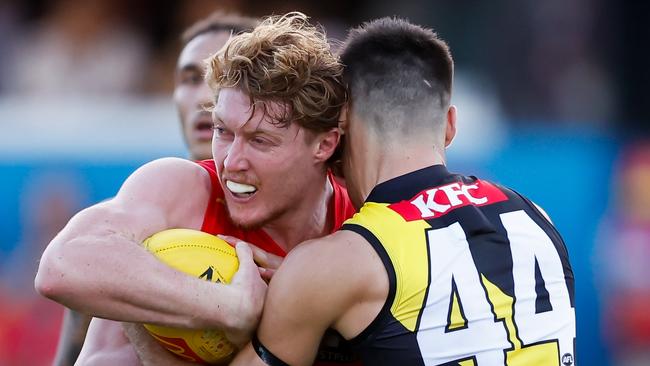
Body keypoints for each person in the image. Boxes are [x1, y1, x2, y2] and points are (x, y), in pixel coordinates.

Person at [231, 17, 577, 366]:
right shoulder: (535, 217)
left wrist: (272, 301)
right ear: (450, 125)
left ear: (342, 121)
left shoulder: (336, 262)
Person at [36, 12, 359, 365]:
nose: (231, 161)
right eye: (223, 131)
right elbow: (60, 266)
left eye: (260, 140)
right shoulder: (182, 189)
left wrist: (299, 299)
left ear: (324, 145)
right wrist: (226, 307)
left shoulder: (362, 223)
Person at [50, 11, 260, 366]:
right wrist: (228, 309)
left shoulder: (303, 221)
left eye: (222, 77)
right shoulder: (119, 231)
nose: (203, 96)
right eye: (190, 78)